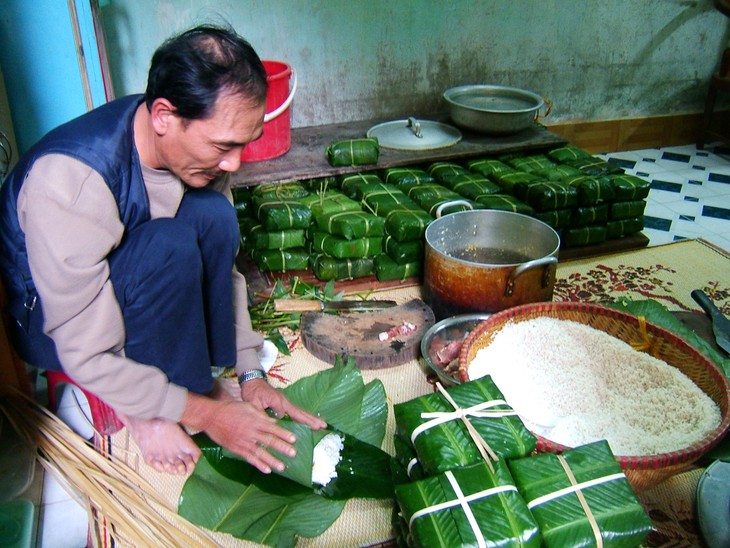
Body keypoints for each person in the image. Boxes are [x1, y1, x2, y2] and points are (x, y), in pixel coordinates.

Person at [0, 24, 325, 475]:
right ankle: (147, 412)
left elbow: (224, 268)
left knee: (213, 216)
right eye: (223, 147)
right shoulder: (71, 181)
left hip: (132, 275)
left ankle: (188, 385)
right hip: (55, 324)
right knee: (167, 245)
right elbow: (84, 350)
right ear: (163, 117)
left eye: (241, 145)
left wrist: (251, 373)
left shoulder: (199, 156)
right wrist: (205, 413)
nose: (233, 162)